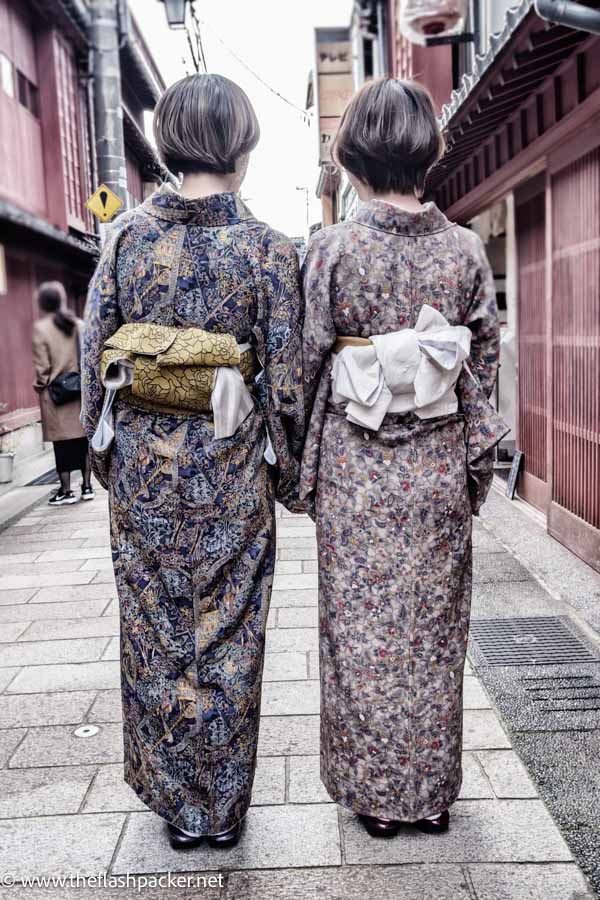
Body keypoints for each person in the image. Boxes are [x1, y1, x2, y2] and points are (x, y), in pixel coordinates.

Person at [80, 74, 305, 850]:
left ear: (170, 143)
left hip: (144, 466)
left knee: (156, 633)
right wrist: (292, 475)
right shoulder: (270, 250)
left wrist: (104, 454)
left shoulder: (125, 240)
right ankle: (224, 806)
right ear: (242, 145)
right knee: (229, 634)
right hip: (232, 465)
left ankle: (181, 810)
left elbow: (93, 354)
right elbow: (288, 379)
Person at [300, 78, 509, 838]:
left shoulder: (332, 249)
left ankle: (375, 797)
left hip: (358, 466)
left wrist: (298, 469)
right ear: (427, 152)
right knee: (432, 632)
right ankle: (430, 792)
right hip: (436, 466)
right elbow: (481, 366)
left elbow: (303, 367)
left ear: (352, 157)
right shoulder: (462, 253)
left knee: (360, 633)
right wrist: (475, 467)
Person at [32, 281, 94, 505]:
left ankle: (66, 491)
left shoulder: (41, 329)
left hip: (56, 395)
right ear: (62, 300)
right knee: (83, 441)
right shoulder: (78, 325)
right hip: (79, 391)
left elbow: (42, 370)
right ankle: (87, 487)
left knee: (62, 445)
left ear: (42, 303)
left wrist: (39, 386)